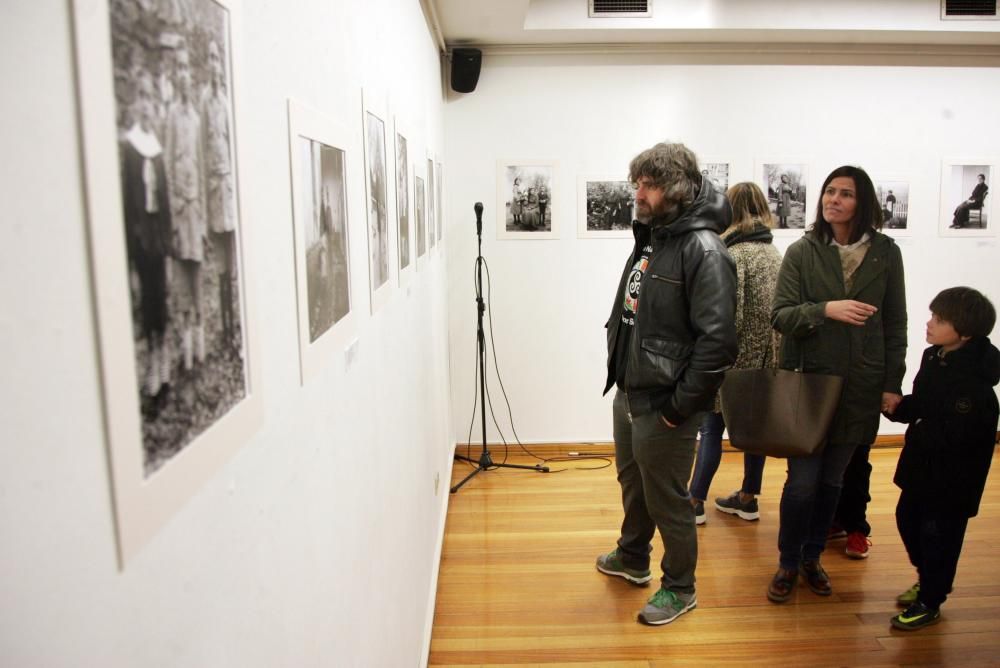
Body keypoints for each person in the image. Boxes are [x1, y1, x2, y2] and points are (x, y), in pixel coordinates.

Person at [596, 142, 737, 626]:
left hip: (666, 402)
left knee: (668, 498)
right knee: (634, 482)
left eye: (648, 184)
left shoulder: (704, 250)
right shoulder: (655, 237)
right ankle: (633, 556)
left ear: (674, 189)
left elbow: (717, 344)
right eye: (637, 182)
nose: (638, 192)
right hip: (631, 390)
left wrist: (679, 408)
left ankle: (680, 587)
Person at [767, 165, 907, 604]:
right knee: (802, 483)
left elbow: (895, 323)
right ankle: (788, 561)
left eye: (845, 194)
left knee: (832, 483)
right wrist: (824, 309)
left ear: (861, 202)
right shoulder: (802, 252)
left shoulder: (886, 253)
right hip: (809, 383)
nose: (833, 200)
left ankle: (812, 558)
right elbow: (781, 315)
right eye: (829, 191)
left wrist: (892, 383)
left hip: (861, 386)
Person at [884, 287, 998, 630]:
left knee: (939, 537)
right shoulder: (934, 357)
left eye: (939, 319)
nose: (929, 323)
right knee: (907, 519)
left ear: (964, 331)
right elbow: (924, 402)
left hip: (952, 481)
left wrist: (921, 424)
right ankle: (930, 577)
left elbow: (958, 435)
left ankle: (931, 599)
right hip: (922, 468)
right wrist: (899, 409)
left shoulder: (974, 383)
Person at [687, 182, 783, 525]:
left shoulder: (734, 255)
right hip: (765, 361)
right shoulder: (773, 253)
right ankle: (747, 498)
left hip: (733, 360)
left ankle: (694, 500)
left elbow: (730, 316)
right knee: (755, 431)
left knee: (711, 429)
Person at [120, 70, 173, 418]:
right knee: (148, 310)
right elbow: (128, 202)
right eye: (140, 98)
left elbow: (164, 202)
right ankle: (152, 372)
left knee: (161, 305)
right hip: (141, 239)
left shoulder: (156, 148)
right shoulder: (131, 148)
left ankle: (164, 369)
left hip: (158, 239)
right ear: (135, 103)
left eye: (149, 99)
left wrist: (167, 243)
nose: (145, 106)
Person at [164, 46, 207, 371]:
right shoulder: (172, 118)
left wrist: (203, 217)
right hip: (180, 211)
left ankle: (201, 346)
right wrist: (175, 210)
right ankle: (187, 352)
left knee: (197, 279)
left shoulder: (195, 117)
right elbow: (167, 165)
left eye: (186, 69)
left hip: (196, 211)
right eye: (177, 69)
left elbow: (203, 166)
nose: (182, 75)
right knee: (181, 282)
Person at [201, 40, 238, 353]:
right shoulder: (204, 102)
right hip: (213, 195)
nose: (213, 63)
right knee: (220, 268)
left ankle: (233, 321)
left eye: (217, 57)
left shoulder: (225, 103)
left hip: (228, 192)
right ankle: (225, 328)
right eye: (209, 58)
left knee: (232, 266)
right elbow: (201, 152)